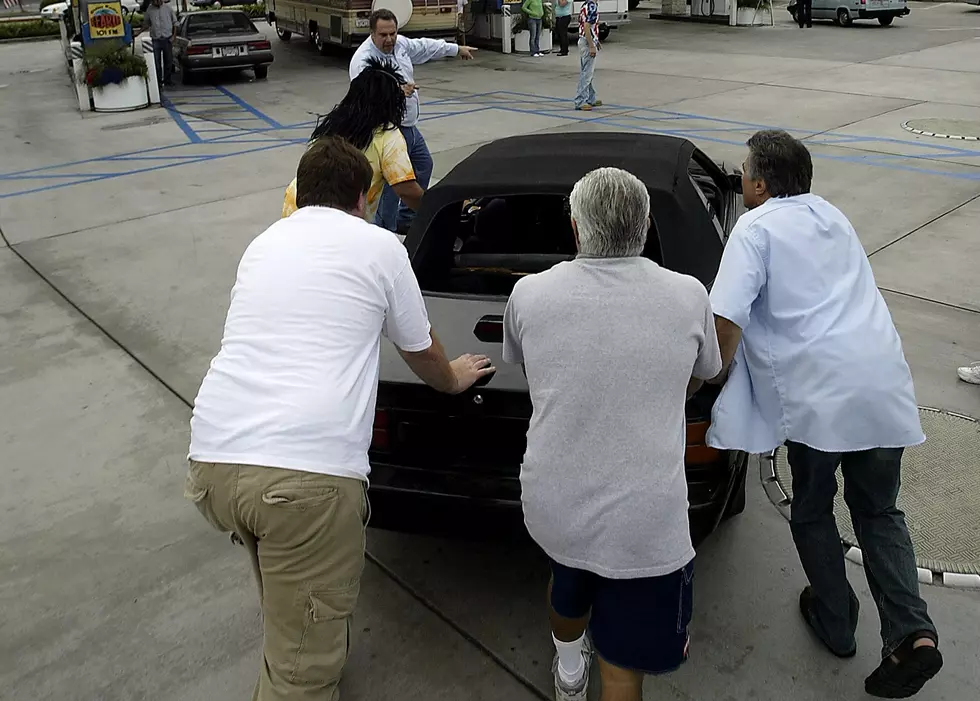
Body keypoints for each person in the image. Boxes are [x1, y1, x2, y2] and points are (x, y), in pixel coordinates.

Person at [185, 136, 494, 701]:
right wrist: (454, 378)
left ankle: (299, 633)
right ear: (364, 195)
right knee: (303, 677)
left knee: (287, 578)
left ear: (300, 194)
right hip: (305, 479)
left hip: (214, 461)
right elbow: (420, 347)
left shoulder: (264, 242)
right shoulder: (379, 247)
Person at [707, 130, 943, 699]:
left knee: (812, 509)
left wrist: (709, 381)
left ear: (760, 185)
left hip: (817, 399)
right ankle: (913, 635)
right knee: (879, 511)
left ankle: (837, 620)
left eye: (743, 171)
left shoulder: (754, 226)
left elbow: (725, 321)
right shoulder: (833, 215)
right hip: (879, 382)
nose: (738, 177)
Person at [502, 167, 722, 701]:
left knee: (568, 577)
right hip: (647, 521)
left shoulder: (529, 295)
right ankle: (584, 669)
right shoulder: (689, 296)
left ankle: (569, 667)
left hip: (554, 503)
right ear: (644, 231)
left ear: (576, 230)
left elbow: (532, 373)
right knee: (622, 667)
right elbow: (706, 373)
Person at [350, 9, 477, 233]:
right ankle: (384, 229)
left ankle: (406, 217)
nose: (389, 39)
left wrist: (457, 49)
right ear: (371, 33)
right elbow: (364, 97)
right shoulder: (363, 61)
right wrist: (397, 92)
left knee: (423, 165)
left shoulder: (400, 45)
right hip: (385, 130)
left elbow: (425, 46)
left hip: (408, 126)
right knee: (393, 184)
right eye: (383, 35)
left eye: (393, 33)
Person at [281, 58, 423, 225]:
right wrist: (438, 212)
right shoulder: (387, 135)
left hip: (296, 208)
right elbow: (407, 191)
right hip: (339, 220)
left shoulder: (332, 122)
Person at [142, 0, 178, 88]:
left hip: (167, 38)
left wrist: (174, 36)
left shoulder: (168, 8)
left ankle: (167, 80)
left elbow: (175, 23)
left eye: (158, 0)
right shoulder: (149, 10)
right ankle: (158, 82)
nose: (157, 2)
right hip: (156, 39)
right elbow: (146, 24)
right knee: (156, 62)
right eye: (154, 1)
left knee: (168, 61)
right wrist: (138, 32)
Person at [575, 0, 602, 112]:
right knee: (587, 74)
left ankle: (591, 97)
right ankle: (580, 100)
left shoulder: (586, 5)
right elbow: (587, 26)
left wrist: (596, 41)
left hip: (584, 40)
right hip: (586, 42)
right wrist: (591, 45)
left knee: (587, 72)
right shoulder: (592, 7)